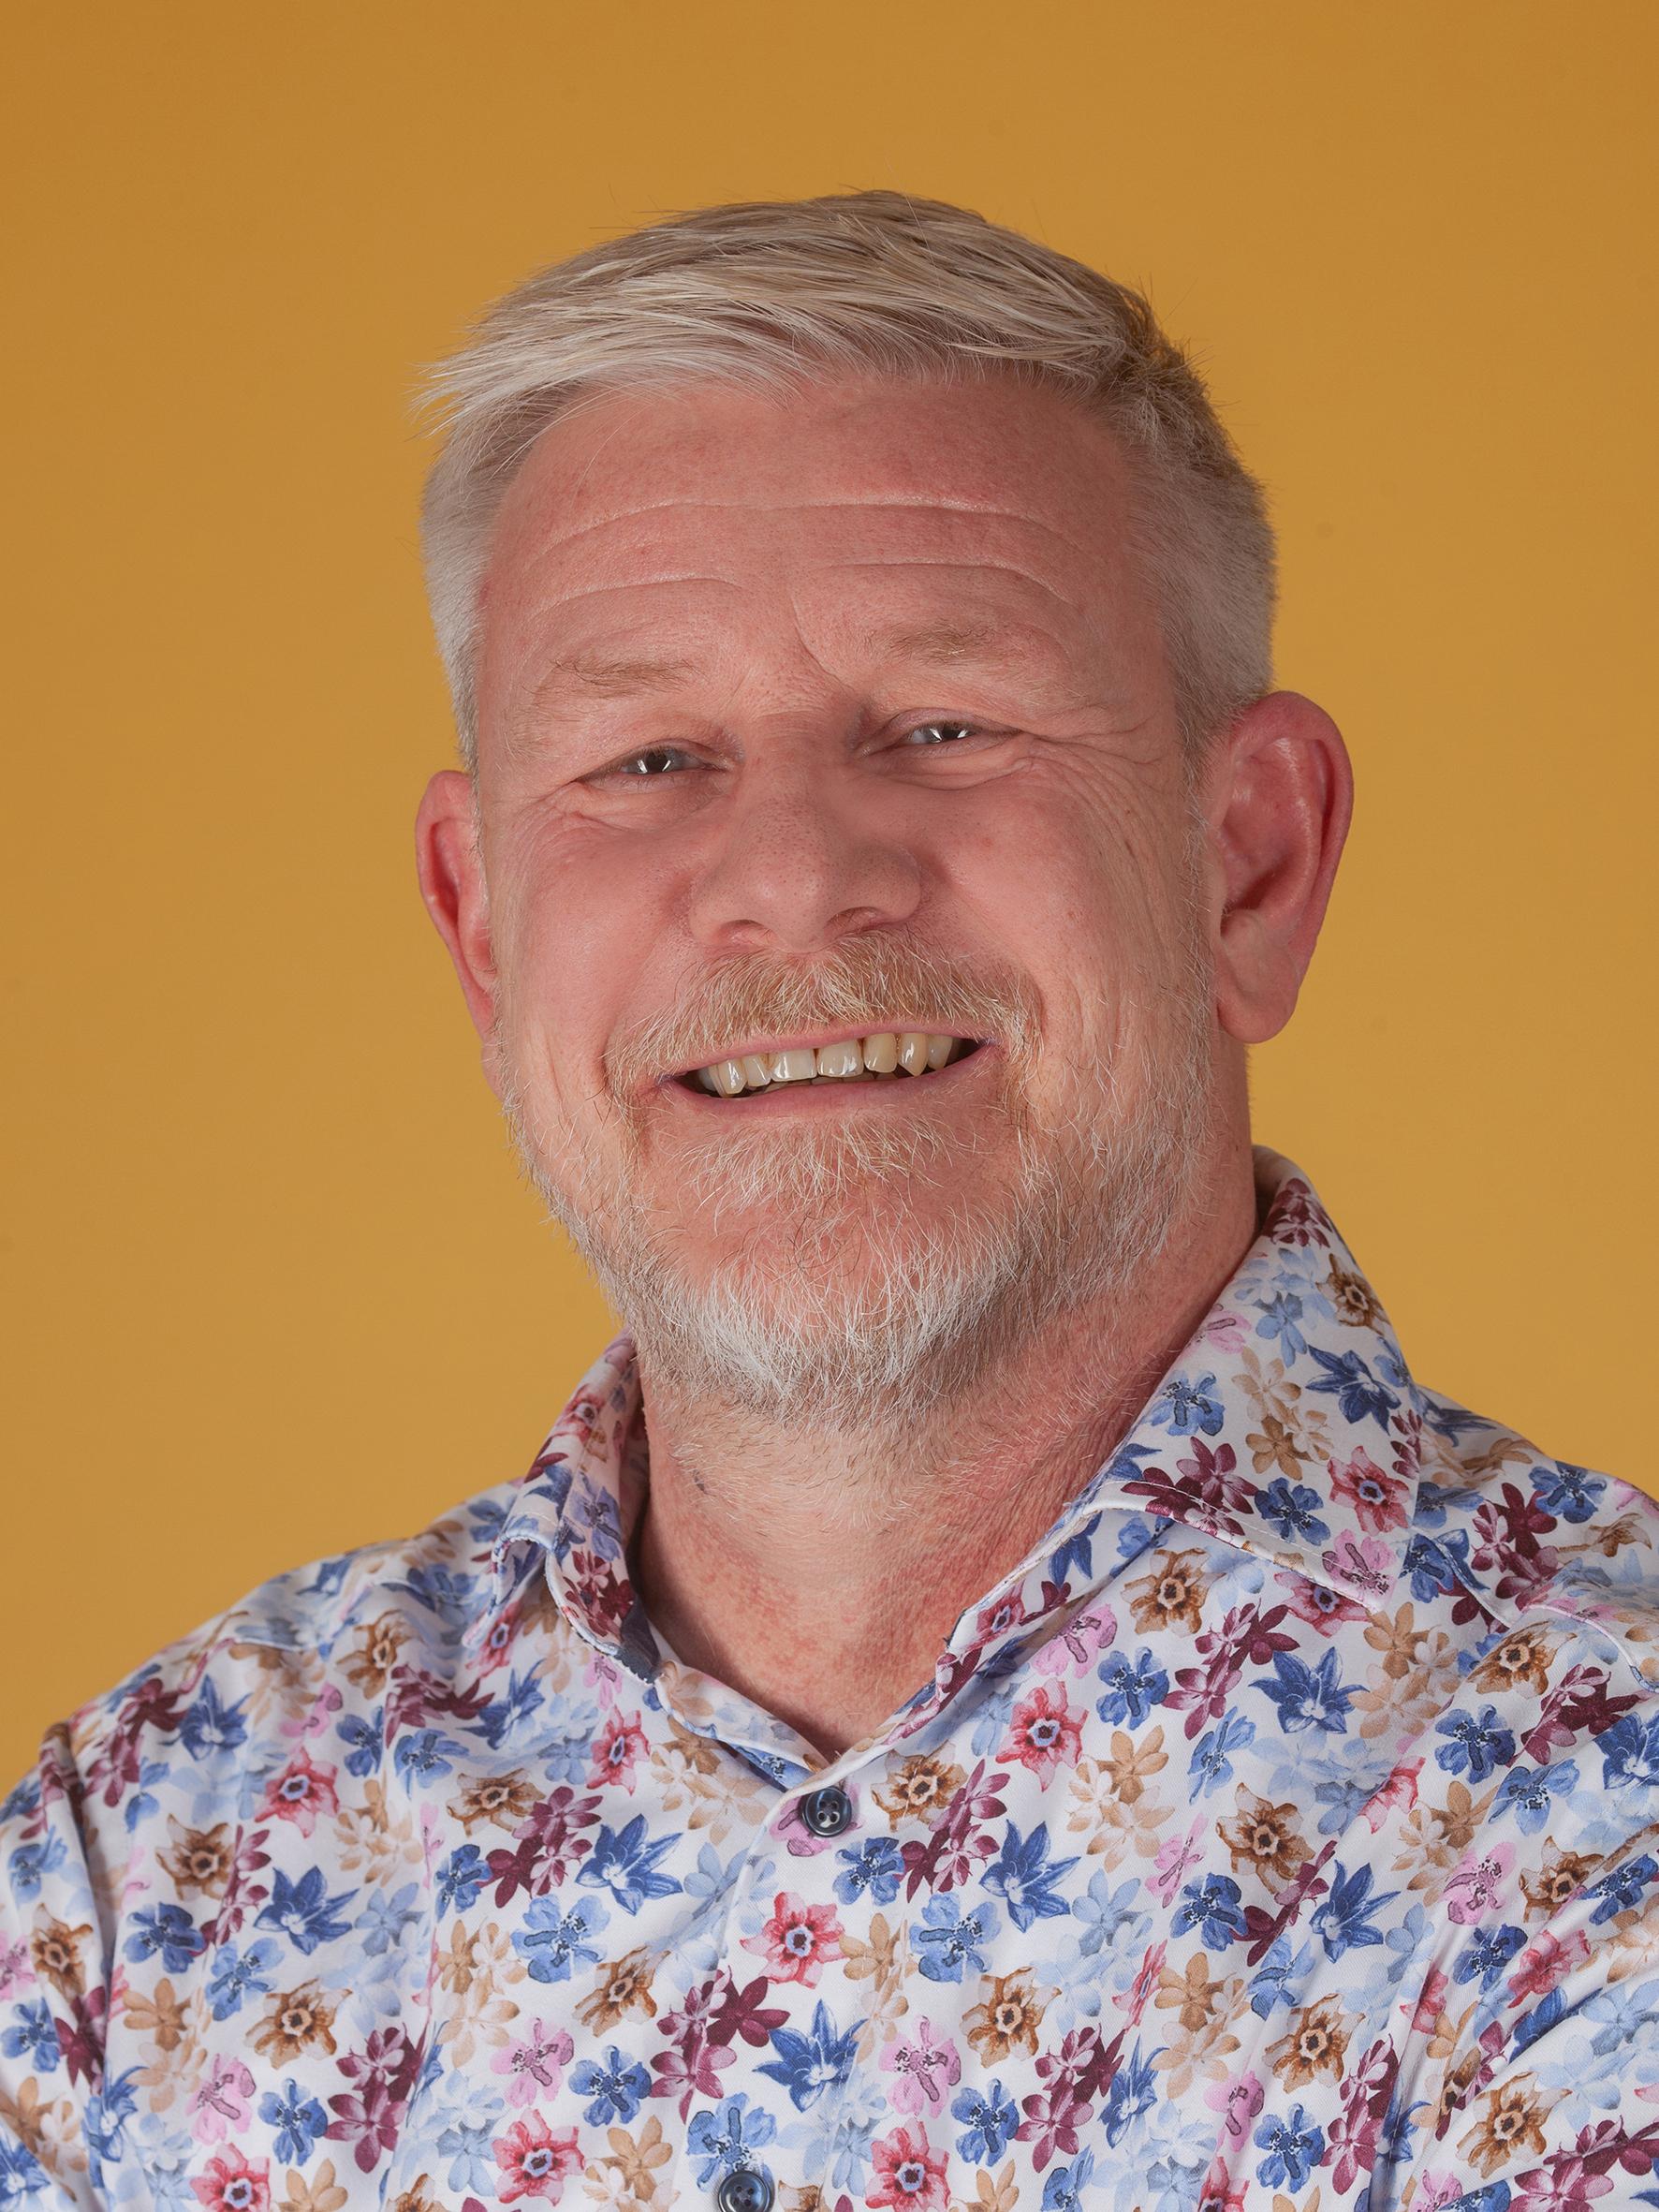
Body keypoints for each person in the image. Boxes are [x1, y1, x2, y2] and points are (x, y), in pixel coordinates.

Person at [2, 193, 1652, 2212]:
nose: (791, 876)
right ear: (483, 925)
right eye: (647, 756)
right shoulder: (141, 1879)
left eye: (945, 727)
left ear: (1249, 863)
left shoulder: (1609, 1807)